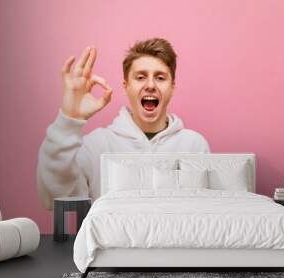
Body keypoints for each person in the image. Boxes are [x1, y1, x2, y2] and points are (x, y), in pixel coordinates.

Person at [37, 38, 210, 210]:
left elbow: (205, 213)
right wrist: (69, 120)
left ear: (172, 87)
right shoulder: (96, 145)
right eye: (141, 77)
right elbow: (54, 200)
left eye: (160, 77)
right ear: (126, 86)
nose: (150, 85)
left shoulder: (194, 146)